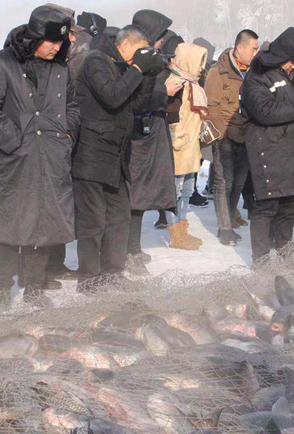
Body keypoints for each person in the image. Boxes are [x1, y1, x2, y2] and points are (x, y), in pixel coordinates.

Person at [0, 6, 79, 309]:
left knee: (44, 225)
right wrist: (14, 140)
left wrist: (65, 134)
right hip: (16, 159)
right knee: (10, 226)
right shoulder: (1, 64)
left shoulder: (61, 69)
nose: (58, 47)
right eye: (52, 42)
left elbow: (72, 106)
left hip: (52, 158)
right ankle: (3, 287)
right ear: (34, 37)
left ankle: (34, 286)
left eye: (61, 42)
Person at [72, 25, 161, 292]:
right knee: (92, 222)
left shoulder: (124, 66)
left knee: (119, 219)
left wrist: (149, 75)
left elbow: (135, 105)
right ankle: (88, 279)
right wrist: (136, 70)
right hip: (91, 155)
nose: (142, 57)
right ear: (125, 45)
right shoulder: (96, 61)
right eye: (140, 51)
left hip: (116, 157)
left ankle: (112, 273)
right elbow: (112, 96)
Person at [240, 27, 294, 266]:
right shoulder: (257, 76)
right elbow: (264, 111)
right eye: (291, 61)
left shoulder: (289, 74)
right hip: (268, 149)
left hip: (291, 150)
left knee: (287, 206)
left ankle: (286, 254)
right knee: (266, 206)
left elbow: (290, 102)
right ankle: (261, 259)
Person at [126, 9, 178, 274]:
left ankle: (133, 247)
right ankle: (129, 250)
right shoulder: (135, 59)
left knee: (144, 195)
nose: (162, 41)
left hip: (152, 131)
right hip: (140, 134)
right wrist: (164, 91)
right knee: (136, 195)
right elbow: (135, 93)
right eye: (160, 36)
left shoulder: (150, 57)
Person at [205, 29, 258, 246]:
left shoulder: (254, 72)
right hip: (225, 136)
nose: (256, 53)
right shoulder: (219, 71)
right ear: (240, 48)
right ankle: (224, 228)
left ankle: (230, 218)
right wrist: (220, 135)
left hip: (247, 136)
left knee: (238, 183)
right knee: (223, 182)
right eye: (253, 48)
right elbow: (211, 106)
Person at [165, 42, 208, 250]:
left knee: (188, 190)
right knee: (175, 190)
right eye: (198, 62)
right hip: (179, 148)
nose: (201, 67)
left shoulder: (193, 84)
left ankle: (182, 230)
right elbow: (171, 116)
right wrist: (179, 138)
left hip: (191, 148)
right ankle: (176, 234)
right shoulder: (176, 83)